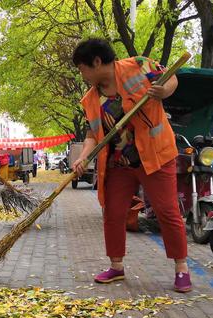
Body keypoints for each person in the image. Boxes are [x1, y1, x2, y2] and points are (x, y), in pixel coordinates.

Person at [71, 38, 191, 293]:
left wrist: (164, 91)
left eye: (82, 69)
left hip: (155, 155)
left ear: (96, 62)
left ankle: (181, 269)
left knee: (167, 211)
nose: (82, 75)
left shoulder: (139, 65)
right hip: (119, 163)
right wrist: (82, 158)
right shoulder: (91, 100)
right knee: (113, 213)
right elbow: (93, 135)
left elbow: (171, 78)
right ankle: (116, 266)